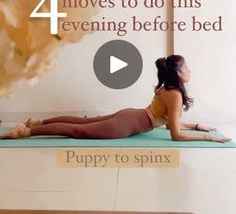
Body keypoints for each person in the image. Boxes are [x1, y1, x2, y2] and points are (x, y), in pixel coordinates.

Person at [0, 54, 231, 142]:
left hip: (130, 115)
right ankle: (26, 131)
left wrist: (198, 125)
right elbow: (176, 134)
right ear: (178, 73)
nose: (190, 71)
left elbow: (171, 121)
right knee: (77, 130)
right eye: (187, 68)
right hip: (129, 123)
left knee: (82, 123)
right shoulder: (175, 95)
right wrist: (207, 138)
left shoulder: (168, 90)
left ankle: (37, 122)